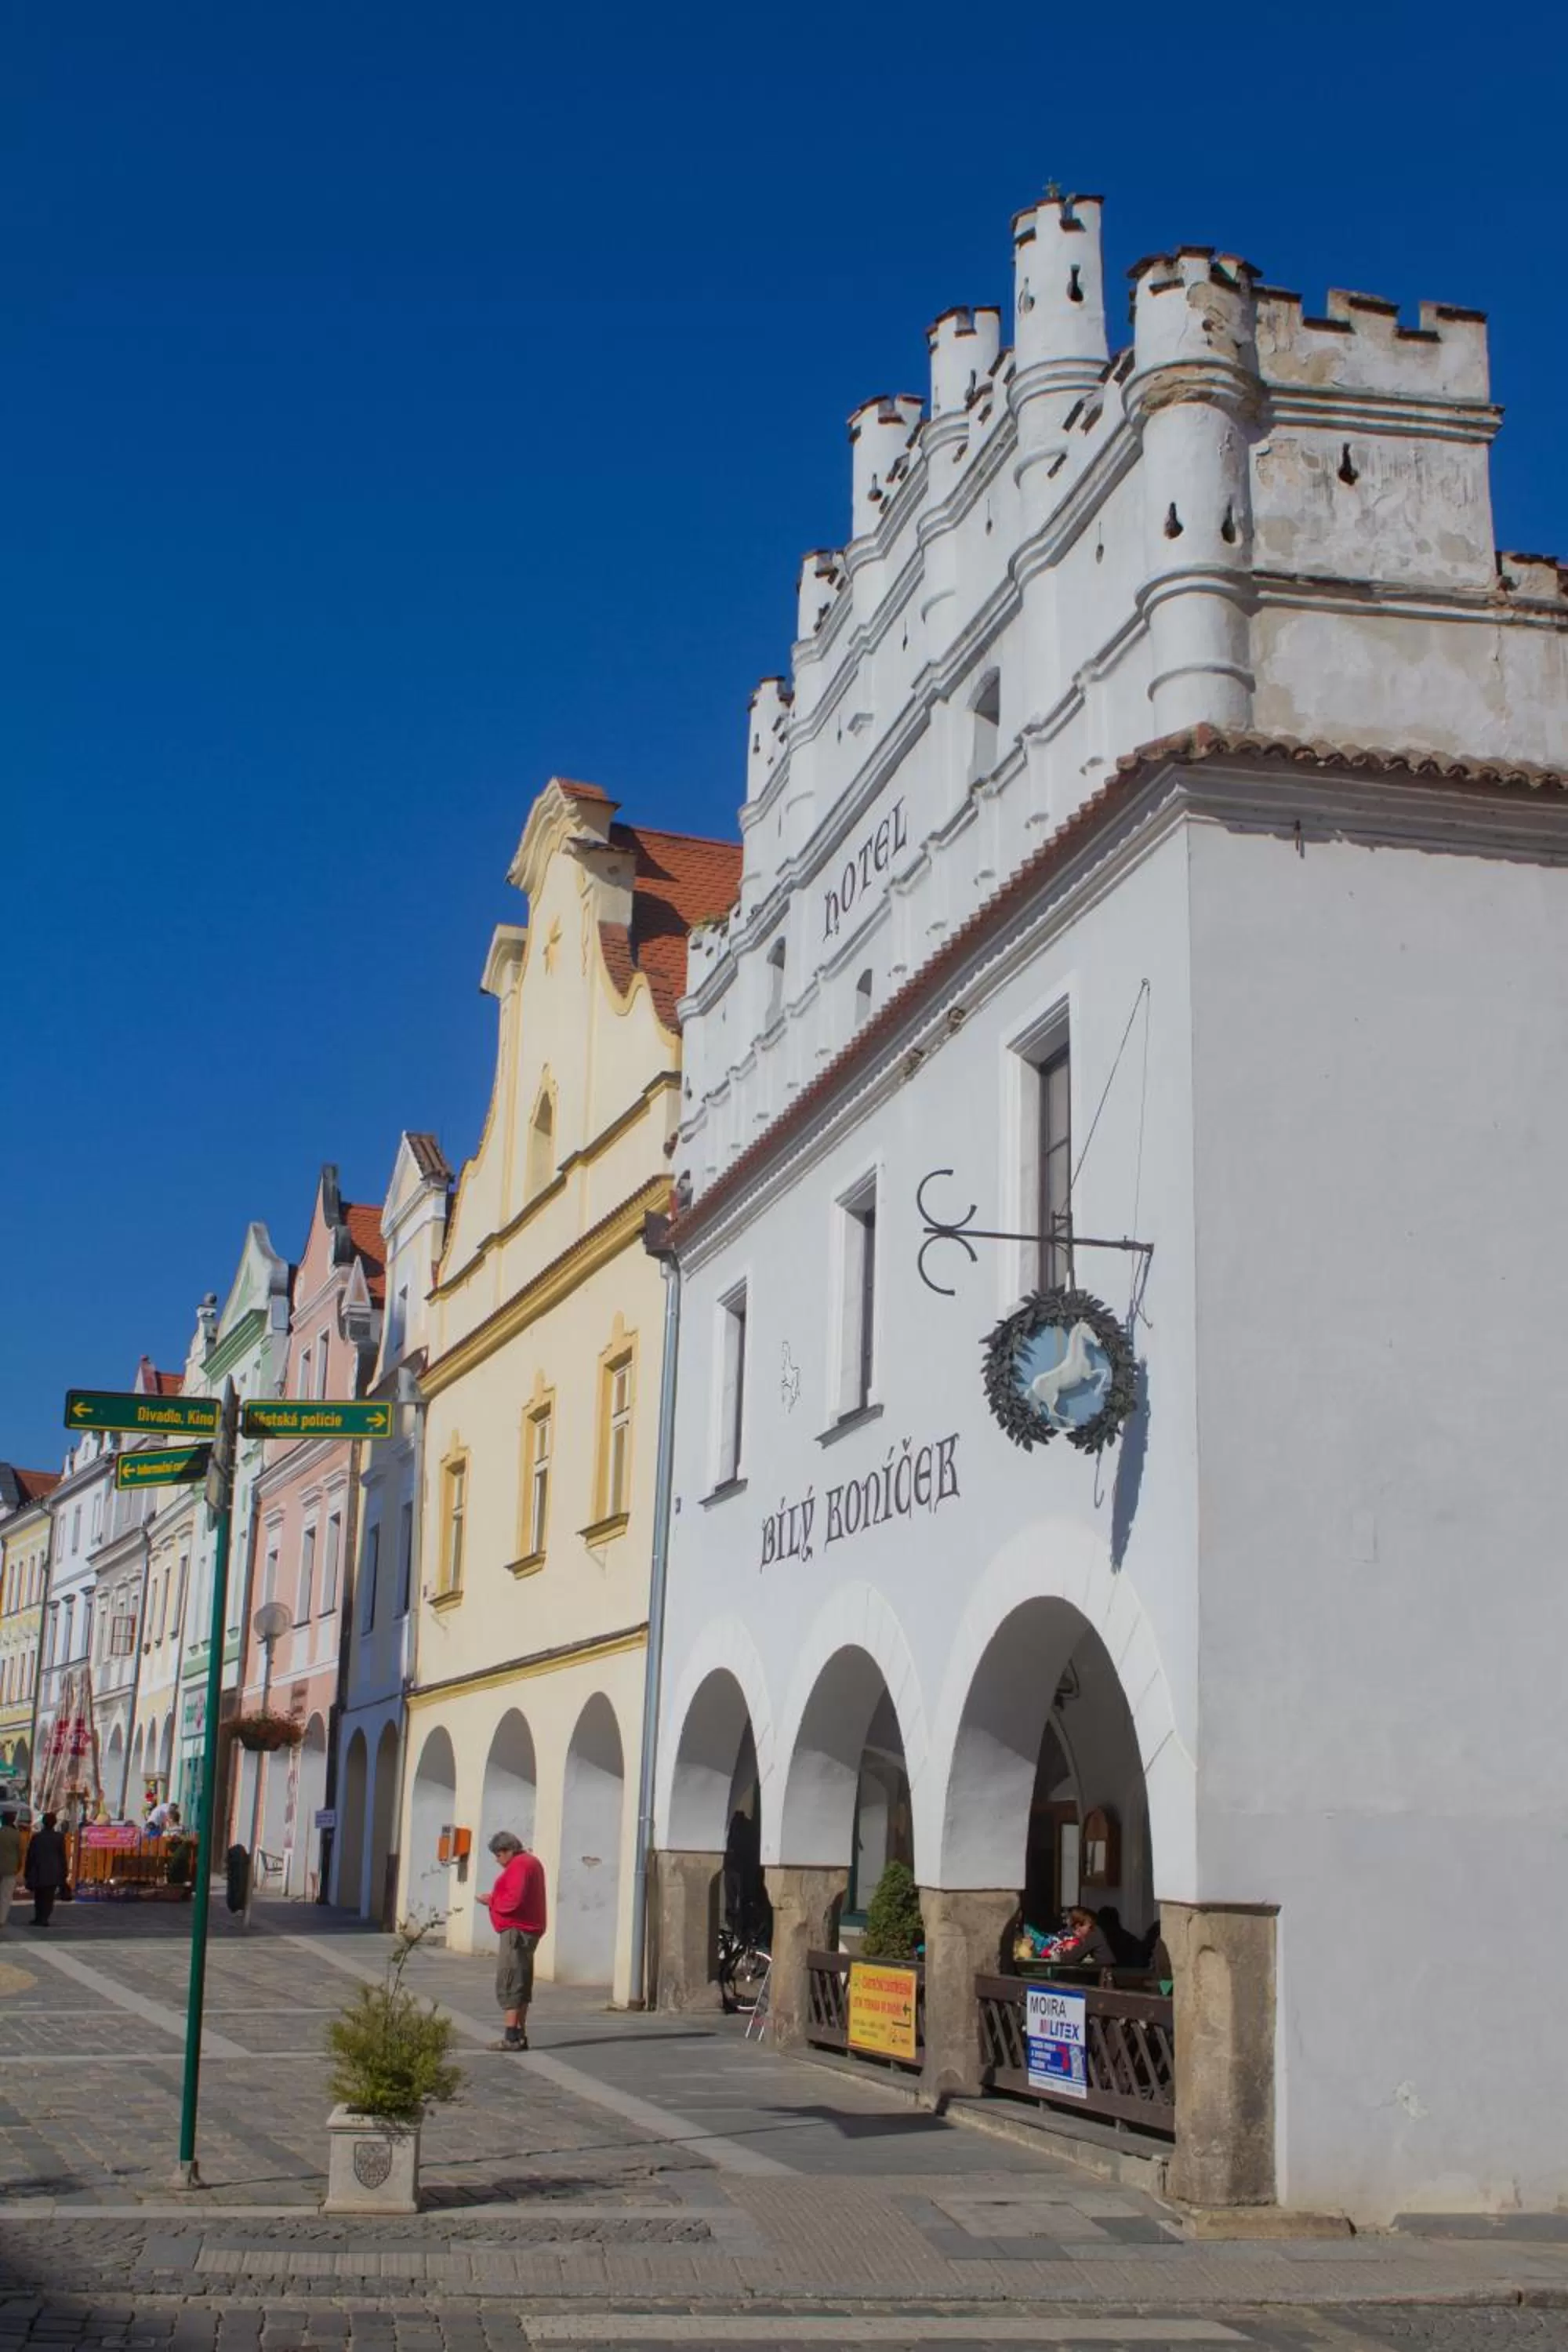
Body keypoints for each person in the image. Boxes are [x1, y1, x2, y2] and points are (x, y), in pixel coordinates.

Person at [483, 1830, 546, 2051]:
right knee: (522, 1979)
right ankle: (519, 2034)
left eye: (498, 1855)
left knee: (510, 1980)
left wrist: (491, 1901)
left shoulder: (519, 1866)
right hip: (530, 1929)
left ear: (507, 1851)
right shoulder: (532, 1862)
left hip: (517, 1930)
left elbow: (513, 1900)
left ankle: (511, 2036)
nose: (497, 1860)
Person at [24, 1809, 68, 1929]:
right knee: (49, 1897)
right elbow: (62, 1856)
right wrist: (64, 1872)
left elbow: (30, 1855)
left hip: (38, 1870)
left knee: (39, 1896)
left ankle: (39, 1917)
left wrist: (27, 1872)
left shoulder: (37, 1837)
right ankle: (44, 1918)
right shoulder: (59, 1838)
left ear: (43, 1823)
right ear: (54, 1824)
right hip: (53, 1871)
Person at [0, 1807, 20, 1931]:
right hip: (10, 1869)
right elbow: (21, 1852)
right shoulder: (17, 1835)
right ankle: (1, 1920)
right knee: (6, 1896)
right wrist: (19, 1867)